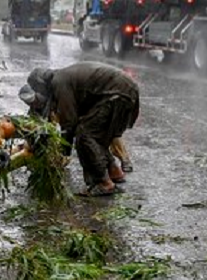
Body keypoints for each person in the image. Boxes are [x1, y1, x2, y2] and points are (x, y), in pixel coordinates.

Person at [18, 62, 140, 196]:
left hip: (118, 94)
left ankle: (103, 183)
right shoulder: (62, 77)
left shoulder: (59, 83)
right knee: (96, 137)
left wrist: (64, 152)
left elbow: (69, 123)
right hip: (125, 91)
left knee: (84, 137)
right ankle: (114, 172)